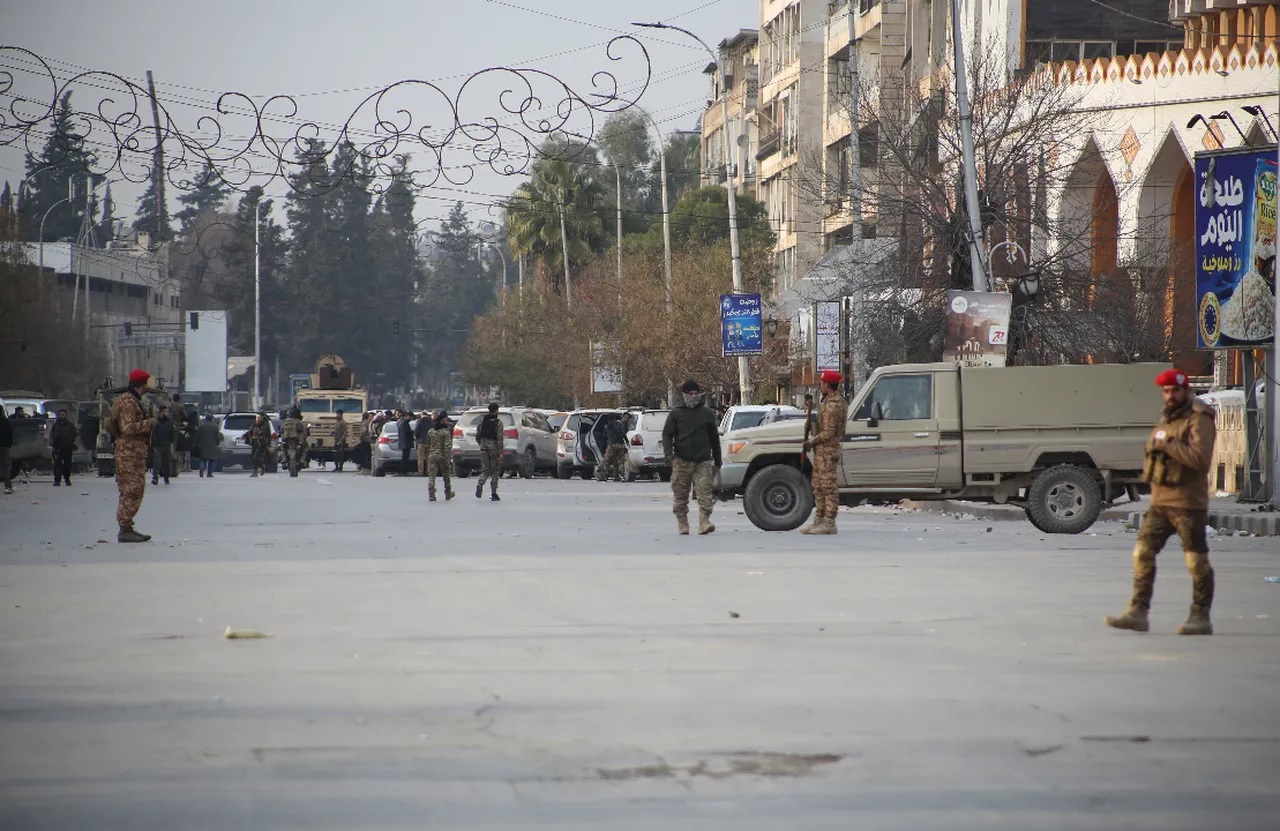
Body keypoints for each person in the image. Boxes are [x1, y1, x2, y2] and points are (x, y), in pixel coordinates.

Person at [1106, 369, 1218, 636]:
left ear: (1186, 391)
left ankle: (1200, 616)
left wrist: (1167, 443)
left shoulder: (1198, 420)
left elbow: (1200, 459)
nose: (1170, 396)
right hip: (1160, 503)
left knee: (1196, 561)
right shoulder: (1167, 419)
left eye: (1175, 390)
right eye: (1166, 391)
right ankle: (1137, 612)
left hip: (1188, 504)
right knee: (1142, 553)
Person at [662, 379, 721, 535]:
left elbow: (714, 438)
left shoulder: (707, 414)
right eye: (690, 394)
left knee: (705, 492)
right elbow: (667, 435)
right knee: (680, 494)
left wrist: (718, 460)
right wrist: (668, 455)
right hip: (682, 460)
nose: (694, 396)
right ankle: (682, 523)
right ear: (684, 395)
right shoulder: (676, 413)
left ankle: (704, 521)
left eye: (696, 394)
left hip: (703, 461)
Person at [110, 369, 157, 543]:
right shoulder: (129, 402)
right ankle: (125, 528)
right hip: (129, 453)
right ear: (142, 385)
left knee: (133, 489)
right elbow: (128, 428)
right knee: (131, 490)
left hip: (133, 453)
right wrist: (149, 423)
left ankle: (127, 526)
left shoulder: (131, 400)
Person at [801, 370, 849, 535]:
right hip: (822, 451)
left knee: (828, 487)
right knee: (818, 486)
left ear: (827, 384)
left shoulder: (834, 405)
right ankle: (818, 520)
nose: (820, 386)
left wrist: (811, 442)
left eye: (822, 383)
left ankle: (829, 522)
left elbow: (828, 433)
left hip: (828, 450)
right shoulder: (827, 401)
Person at [474, 402, 503, 501]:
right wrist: (500, 452)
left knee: (485, 469)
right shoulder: (498, 423)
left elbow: (478, 436)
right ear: (496, 410)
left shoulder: (483, 422)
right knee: (495, 470)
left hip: (483, 448)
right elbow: (500, 438)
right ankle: (494, 493)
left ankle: (480, 483)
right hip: (494, 449)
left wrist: (482, 444)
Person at [425, 410, 455, 501]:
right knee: (446, 475)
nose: (447, 422)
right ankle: (448, 493)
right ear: (442, 420)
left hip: (432, 455)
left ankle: (431, 493)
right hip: (442, 455)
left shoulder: (430, 431)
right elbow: (447, 446)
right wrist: (448, 457)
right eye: (446, 420)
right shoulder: (445, 432)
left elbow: (428, 444)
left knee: (432, 476)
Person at [50, 409, 78, 487]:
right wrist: (53, 445)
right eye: (60, 415)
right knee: (57, 465)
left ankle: (67, 480)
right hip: (57, 448)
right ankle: (57, 480)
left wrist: (72, 443)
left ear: (66, 415)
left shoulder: (70, 425)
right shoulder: (55, 425)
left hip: (67, 447)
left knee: (67, 465)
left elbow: (75, 434)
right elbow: (52, 435)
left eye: (63, 414)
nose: (61, 416)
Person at [597, 417, 628, 482]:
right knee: (620, 461)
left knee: (606, 461)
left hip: (611, 445)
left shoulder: (607, 426)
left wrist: (603, 448)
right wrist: (627, 442)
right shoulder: (620, 425)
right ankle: (621, 476)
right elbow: (624, 435)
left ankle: (604, 475)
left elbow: (605, 438)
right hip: (620, 445)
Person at [150, 406, 174, 486]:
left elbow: (172, 434)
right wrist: (153, 444)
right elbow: (153, 434)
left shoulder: (169, 423)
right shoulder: (156, 422)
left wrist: (171, 440)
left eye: (168, 412)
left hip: (166, 444)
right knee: (157, 462)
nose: (167, 413)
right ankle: (155, 477)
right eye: (166, 412)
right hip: (158, 445)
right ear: (161, 412)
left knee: (166, 462)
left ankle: (166, 477)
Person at [245, 412, 273, 478]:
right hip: (254, 443)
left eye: (259, 417)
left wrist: (269, 446)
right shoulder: (254, 424)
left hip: (262, 444)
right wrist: (244, 436)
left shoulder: (265, 426)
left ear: (262, 418)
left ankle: (261, 467)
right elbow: (249, 431)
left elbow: (269, 436)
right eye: (257, 417)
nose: (257, 419)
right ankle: (256, 471)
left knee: (256, 457)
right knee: (253, 458)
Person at [281, 407, 305, 476]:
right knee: (304, 447)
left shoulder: (285, 422)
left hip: (286, 439)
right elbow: (302, 429)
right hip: (295, 439)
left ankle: (284, 459)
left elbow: (281, 430)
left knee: (283, 448)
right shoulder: (297, 421)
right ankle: (302, 461)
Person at [0, 407, 14, 494]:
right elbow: (10, 434)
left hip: (3, 445)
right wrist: (8, 444)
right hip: (4, 446)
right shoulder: (5, 421)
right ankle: (8, 486)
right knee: (5, 466)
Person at [415, 411, 432, 476]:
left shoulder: (419, 421)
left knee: (420, 458)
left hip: (421, 442)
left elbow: (416, 431)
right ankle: (429, 471)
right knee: (429, 458)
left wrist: (417, 438)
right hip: (429, 442)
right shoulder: (431, 422)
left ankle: (420, 472)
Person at [397, 411, 414, 475]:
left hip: (404, 443)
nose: (411, 418)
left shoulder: (402, 423)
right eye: (410, 417)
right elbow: (406, 433)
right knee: (405, 458)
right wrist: (412, 432)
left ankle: (403, 470)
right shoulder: (404, 423)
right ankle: (403, 470)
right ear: (406, 416)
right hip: (406, 443)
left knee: (405, 457)